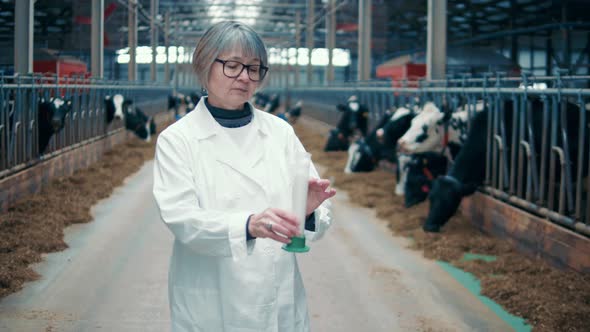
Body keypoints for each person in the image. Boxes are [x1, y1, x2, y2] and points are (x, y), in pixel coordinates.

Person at [152, 21, 336, 332]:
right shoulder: (178, 139)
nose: (245, 77)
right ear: (205, 65)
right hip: (212, 299)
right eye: (233, 65)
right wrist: (248, 225)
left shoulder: (280, 132)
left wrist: (305, 211)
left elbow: (317, 215)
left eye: (254, 68)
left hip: (278, 297)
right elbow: (181, 218)